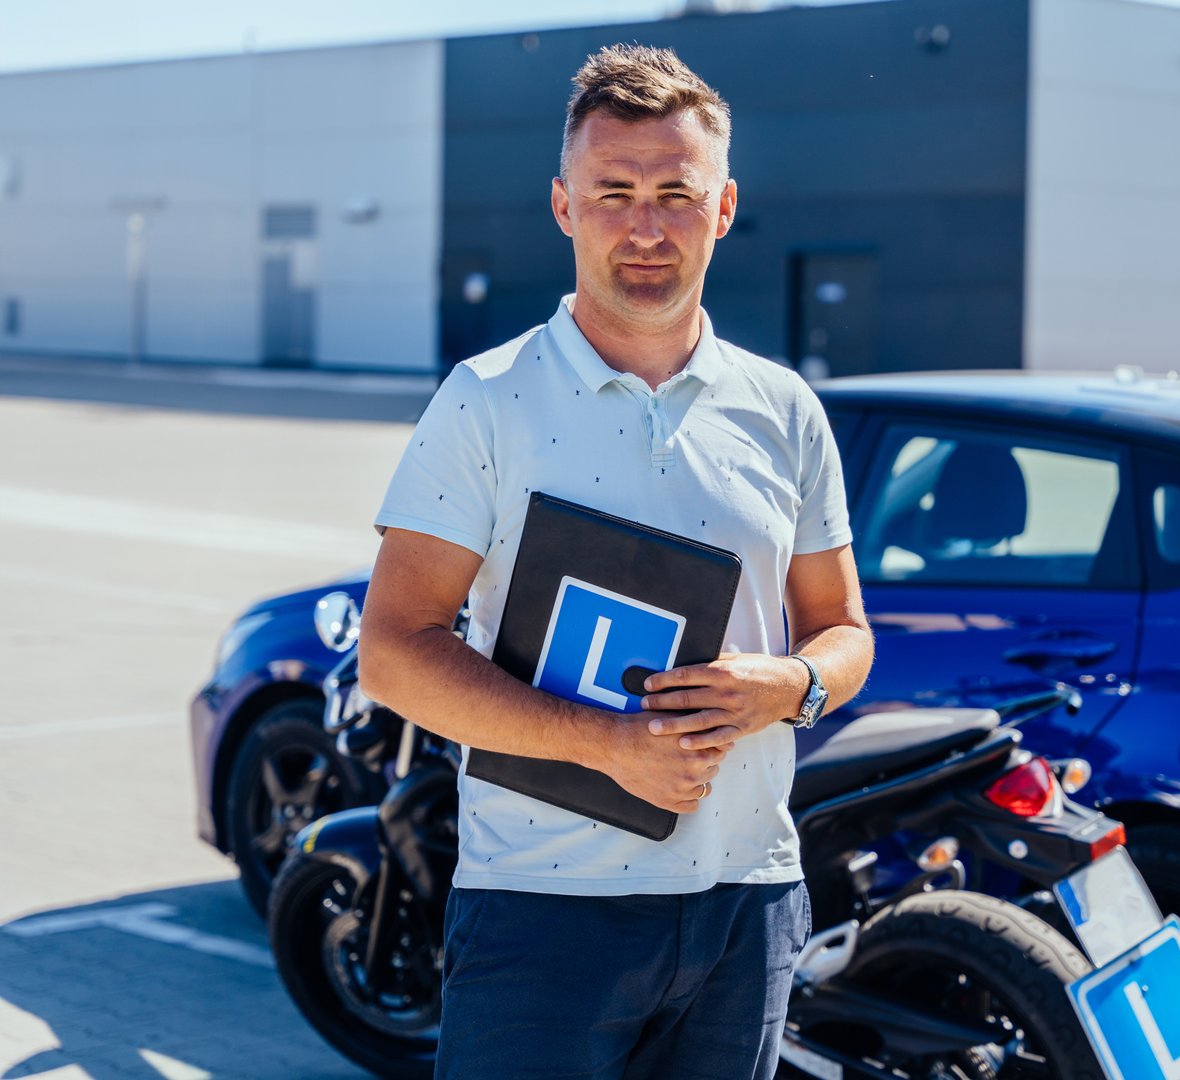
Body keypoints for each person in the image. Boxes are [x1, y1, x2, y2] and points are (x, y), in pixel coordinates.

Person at [358, 44, 874, 1080]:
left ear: (723, 208)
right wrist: (606, 745)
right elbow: (394, 654)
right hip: (542, 913)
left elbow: (846, 634)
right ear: (564, 205)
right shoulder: (485, 400)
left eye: (676, 194)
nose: (646, 226)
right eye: (615, 192)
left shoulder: (785, 412)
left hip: (748, 904)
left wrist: (793, 682)